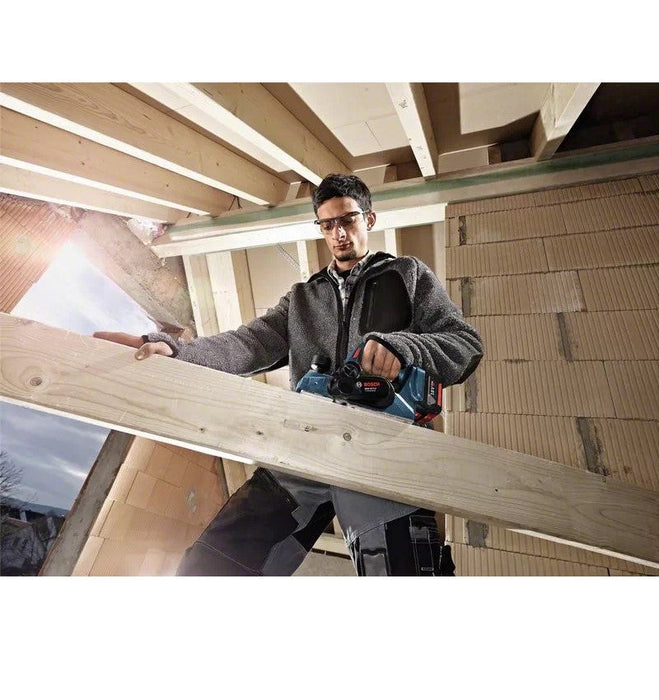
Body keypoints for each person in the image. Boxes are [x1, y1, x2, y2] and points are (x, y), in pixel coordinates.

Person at [95, 173, 483, 576]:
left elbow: (464, 344)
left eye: (347, 220)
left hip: (382, 451)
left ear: (368, 219)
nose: (338, 234)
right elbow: (248, 344)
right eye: (327, 224)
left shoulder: (408, 274)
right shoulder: (301, 298)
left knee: (402, 577)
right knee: (209, 567)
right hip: (304, 446)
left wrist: (403, 348)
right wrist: (176, 351)